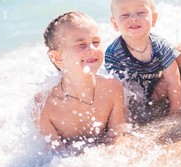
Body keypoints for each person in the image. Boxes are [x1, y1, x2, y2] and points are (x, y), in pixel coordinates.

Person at [34, 11, 126, 152]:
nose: (92, 49)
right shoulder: (44, 106)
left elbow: (117, 137)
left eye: (95, 42)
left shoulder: (112, 87)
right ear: (57, 57)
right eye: (81, 45)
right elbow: (54, 158)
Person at [105, 0, 181, 124]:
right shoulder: (113, 53)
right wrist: (125, 123)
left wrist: (176, 113)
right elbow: (118, 93)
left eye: (141, 13)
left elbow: (173, 81)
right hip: (131, 97)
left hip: (156, 94)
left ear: (153, 18)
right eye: (124, 15)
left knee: (177, 81)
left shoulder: (161, 46)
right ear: (115, 23)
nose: (133, 18)